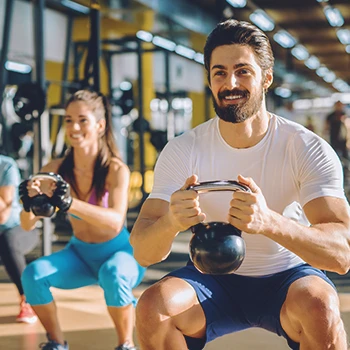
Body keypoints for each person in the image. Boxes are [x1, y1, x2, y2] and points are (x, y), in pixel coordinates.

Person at [130, 19, 350, 350]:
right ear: (209, 80)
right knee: (152, 307)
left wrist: (270, 222)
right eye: (219, 72)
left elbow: (342, 255)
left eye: (243, 71)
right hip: (211, 281)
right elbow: (144, 251)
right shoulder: (183, 149)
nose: (230, 82)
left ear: (267, 79)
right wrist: (172, 222)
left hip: (288, 279)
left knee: (320, 305)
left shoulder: (305, 147)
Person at [19, 90, 146, 350]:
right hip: (79, 255)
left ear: (100, 125)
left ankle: (126, 345)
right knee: (33, 275)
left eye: (82, 120)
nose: (74, 127)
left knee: (113, 274)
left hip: (120, 253)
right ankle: (56, 343)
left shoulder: (115, 169)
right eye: (68, 120)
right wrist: (29, 204)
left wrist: (69, 203)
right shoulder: (54, 169)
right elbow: (26, 224)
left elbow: (114, 222)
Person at [0, 153, 39, 324]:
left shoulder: (6, 166)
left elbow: (3, 216)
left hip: (19, 228)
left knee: (7, 241)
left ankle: (28, 300)